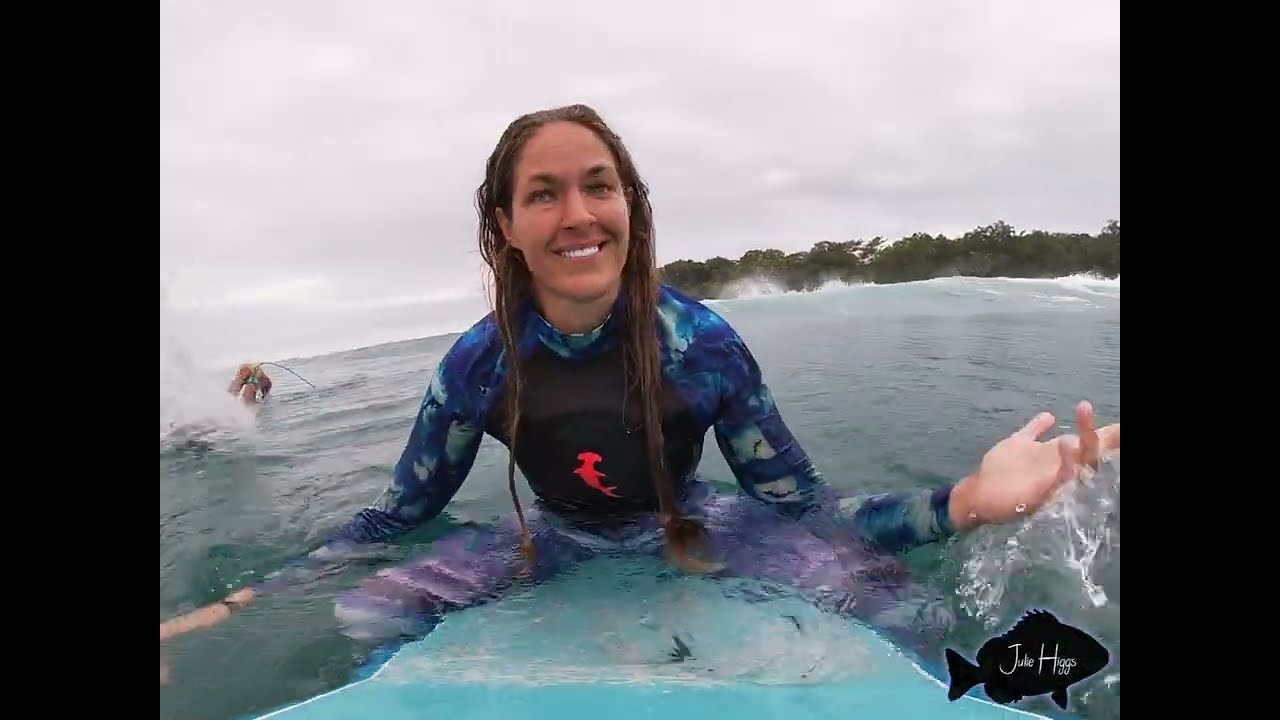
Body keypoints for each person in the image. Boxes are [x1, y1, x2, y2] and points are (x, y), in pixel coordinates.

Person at [160, 104, 1119, 669]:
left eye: (599, 185)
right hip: (555, 540)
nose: (577, 215)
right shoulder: (477, 365)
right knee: (369, 611)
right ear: (506, 224)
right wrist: (237, 608)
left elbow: (805, 512)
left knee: (906, 614)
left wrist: (965, 503)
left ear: (629, 204)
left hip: (698, 527)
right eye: (544, 193)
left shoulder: (698, 343)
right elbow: (393, 519)